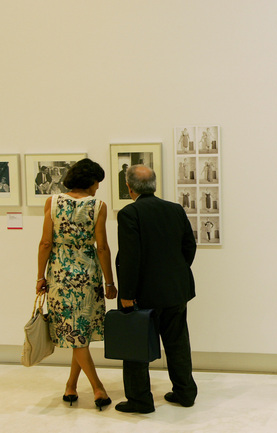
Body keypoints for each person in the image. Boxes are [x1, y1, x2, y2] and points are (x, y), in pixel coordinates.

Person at [115, 164, 197, 413]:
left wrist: (126, 294)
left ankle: (140, 400)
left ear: (129, 187)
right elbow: (189, 247)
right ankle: (185, 393)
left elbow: (130, 257)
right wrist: (175, 273)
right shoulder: (175, 209)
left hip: (143, 294)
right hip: (175, 290)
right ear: (154, 185)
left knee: (137, 345)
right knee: (177, 342)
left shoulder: (130, 213)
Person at [36, 158, 116, 410]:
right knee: (79, 331)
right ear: (89, 181)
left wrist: (40, 276)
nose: (98, 187)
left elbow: (45, 243)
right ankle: (97, 388)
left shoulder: (53, 202)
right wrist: (110, 282)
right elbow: (102, 247)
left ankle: (71, 385)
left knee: (76, 333)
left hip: (60, 275)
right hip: (88, 275)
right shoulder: (98, 206)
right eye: (97, 182)